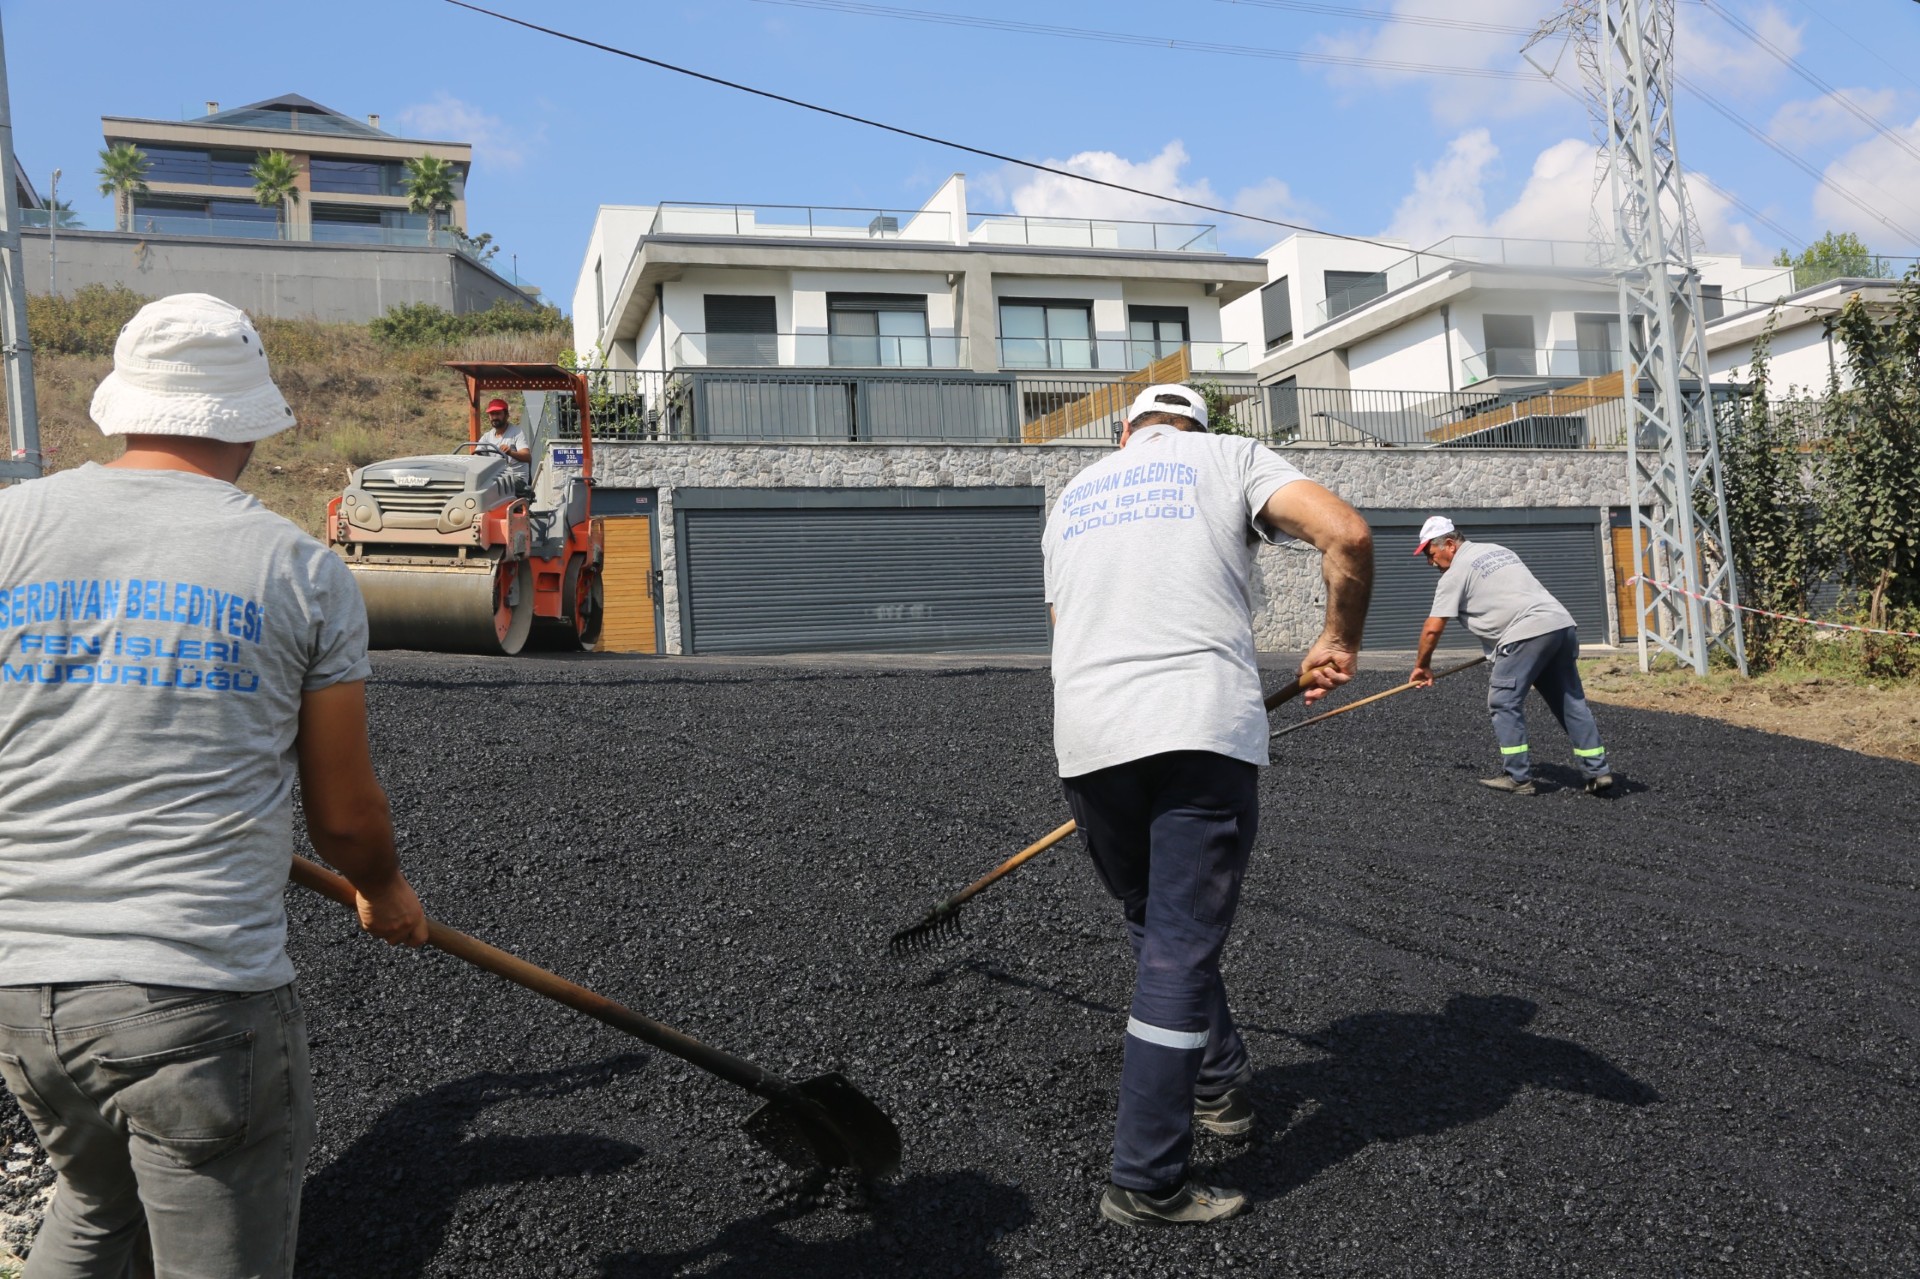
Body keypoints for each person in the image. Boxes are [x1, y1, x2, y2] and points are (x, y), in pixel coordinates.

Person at [0, 293, 430, 1278]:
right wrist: (383, 889)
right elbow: (346, 814)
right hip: (193, 996)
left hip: (19, 988)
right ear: (248, 421)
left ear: (125, 404)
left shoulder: (7, 524)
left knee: (96, 1205)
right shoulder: (297, 569)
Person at [1044, 383, 1373, 1227]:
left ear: (1128, 433)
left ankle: (1221, 1083)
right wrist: (1336, 636)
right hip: (1196, 727)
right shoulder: (1225, 456)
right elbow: (1345, 531)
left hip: (1088, 735)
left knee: (1157, 922)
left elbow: (1066, 620)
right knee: (1179, 951)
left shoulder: (1075, 495)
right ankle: (1146, 1179)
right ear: (1193, 424)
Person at [1409, 515, 1613, 796]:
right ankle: (1597, 771)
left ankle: (1518, 777)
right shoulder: (1499, 551)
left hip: (1525, 634)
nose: (1430, 562)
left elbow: (1432, 629)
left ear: (1449, 545)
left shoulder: (1454, 574)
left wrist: (1422, 666)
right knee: (1570, 701)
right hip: (1560, 626)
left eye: (1430, 554)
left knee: (1503, 700)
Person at [476, 397, 531, 477]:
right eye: (492, 414)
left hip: (516, 478)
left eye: (498, 414)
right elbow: (477, 456)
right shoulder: (486, 437)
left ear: (506, 415)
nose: (494, 417)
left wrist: (510, 453)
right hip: (495, 479)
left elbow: (527, 457)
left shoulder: (517, 432)